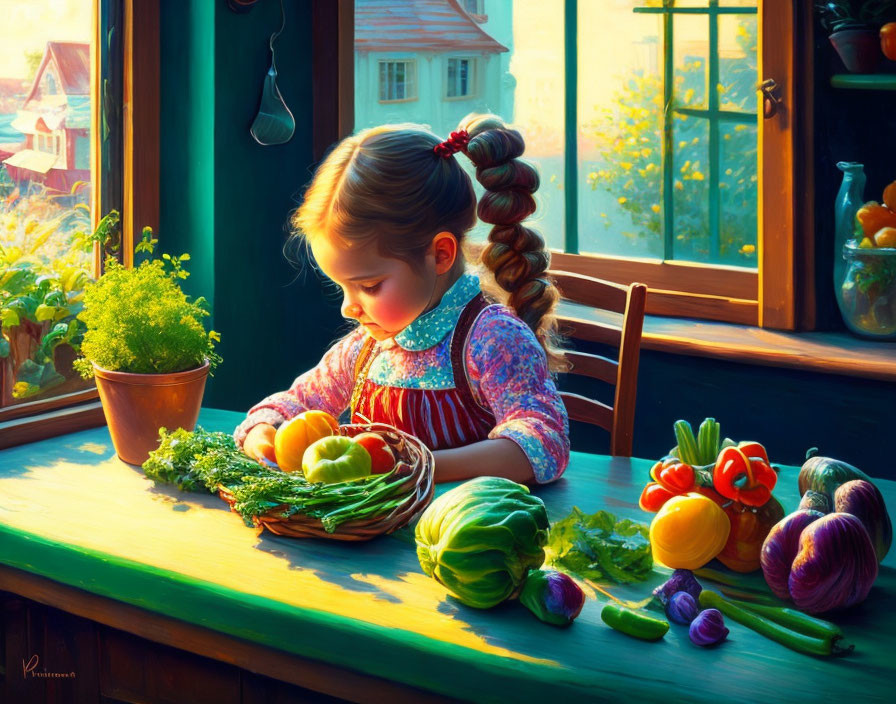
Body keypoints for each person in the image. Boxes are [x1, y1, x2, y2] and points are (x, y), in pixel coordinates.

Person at [235, 113, 569, 484]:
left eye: (371, 285)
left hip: (459, 533)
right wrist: (264, 436)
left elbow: (543, 443)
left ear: (440, 254)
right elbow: (294, 403)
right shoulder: (364, 350)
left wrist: (415, 469)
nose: (349, 307)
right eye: (341, 287)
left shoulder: (493, 340)